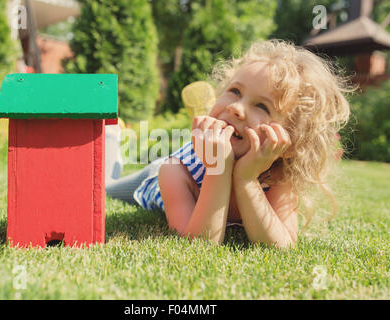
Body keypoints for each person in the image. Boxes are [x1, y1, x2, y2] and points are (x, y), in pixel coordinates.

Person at [105, 40, 352, 248]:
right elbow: (199, 244)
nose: (236, 107)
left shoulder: (278, 179)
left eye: (261, 106)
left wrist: (246, 178)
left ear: (288, 145)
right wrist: (218, 169)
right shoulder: (175, 171)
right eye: (235, 91)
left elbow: (280, 247)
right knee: (105, 187)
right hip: (157, 175)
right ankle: (109, 141)